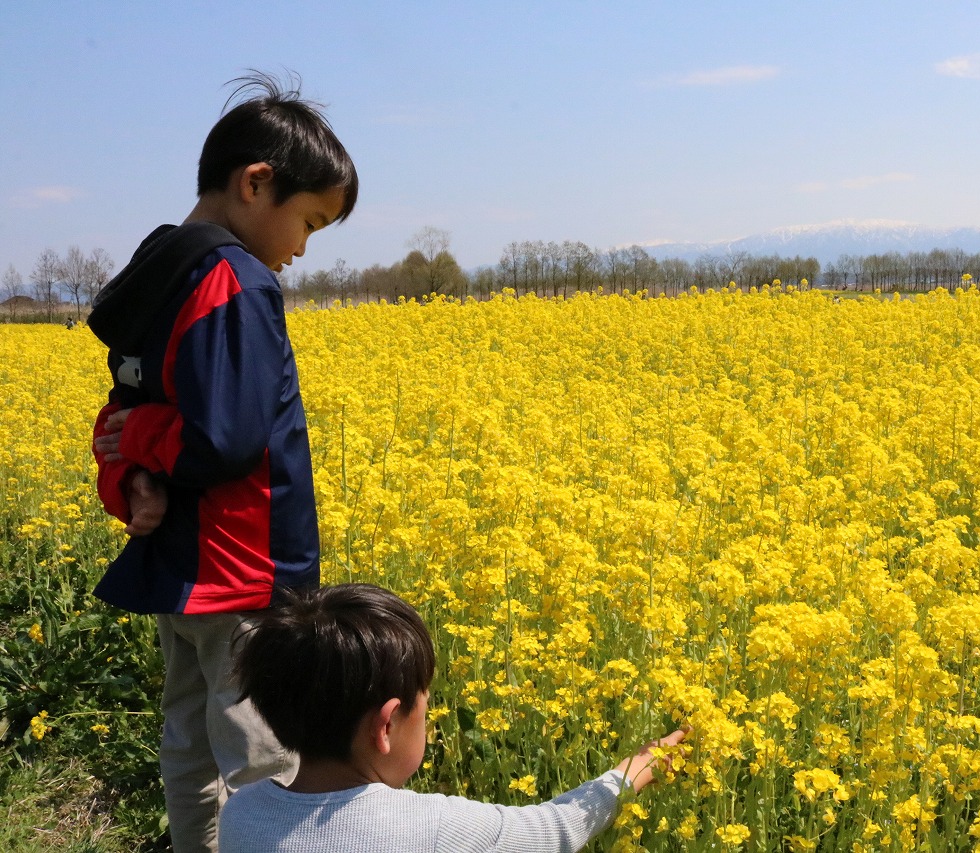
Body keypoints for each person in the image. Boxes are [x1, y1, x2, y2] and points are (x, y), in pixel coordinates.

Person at [87, 71, 358, 852]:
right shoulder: (235, 281)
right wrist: (142, 447)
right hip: (242, 572)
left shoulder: (162, 264)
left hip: (179, 566)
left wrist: (133, 471)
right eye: (308, 221)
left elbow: (128, 399)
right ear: (255, 183)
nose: (302, 250)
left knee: (188, 737)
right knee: (264, 753)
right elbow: (226, 438)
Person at [220, 583, 688, 852]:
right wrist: (635, 770)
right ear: (386, 727)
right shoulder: (431, 829)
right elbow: (553, 830)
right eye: (424, 707)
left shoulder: (241, 812)